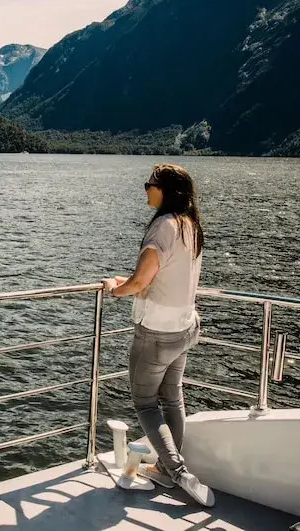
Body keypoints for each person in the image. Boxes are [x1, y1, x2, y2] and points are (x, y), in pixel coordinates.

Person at [102, 164, 215, 507]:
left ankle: (177, 471)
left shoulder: (163, 226)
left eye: (149, 184)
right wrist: (129, 282)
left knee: (146, 403)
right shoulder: (190, 224)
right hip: (184, 327)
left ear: (165, 190)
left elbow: (140, 282)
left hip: (156, 332)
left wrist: (114, 288)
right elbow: (159, 277)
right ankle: (167, 470)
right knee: (172, 398)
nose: (146, 189)